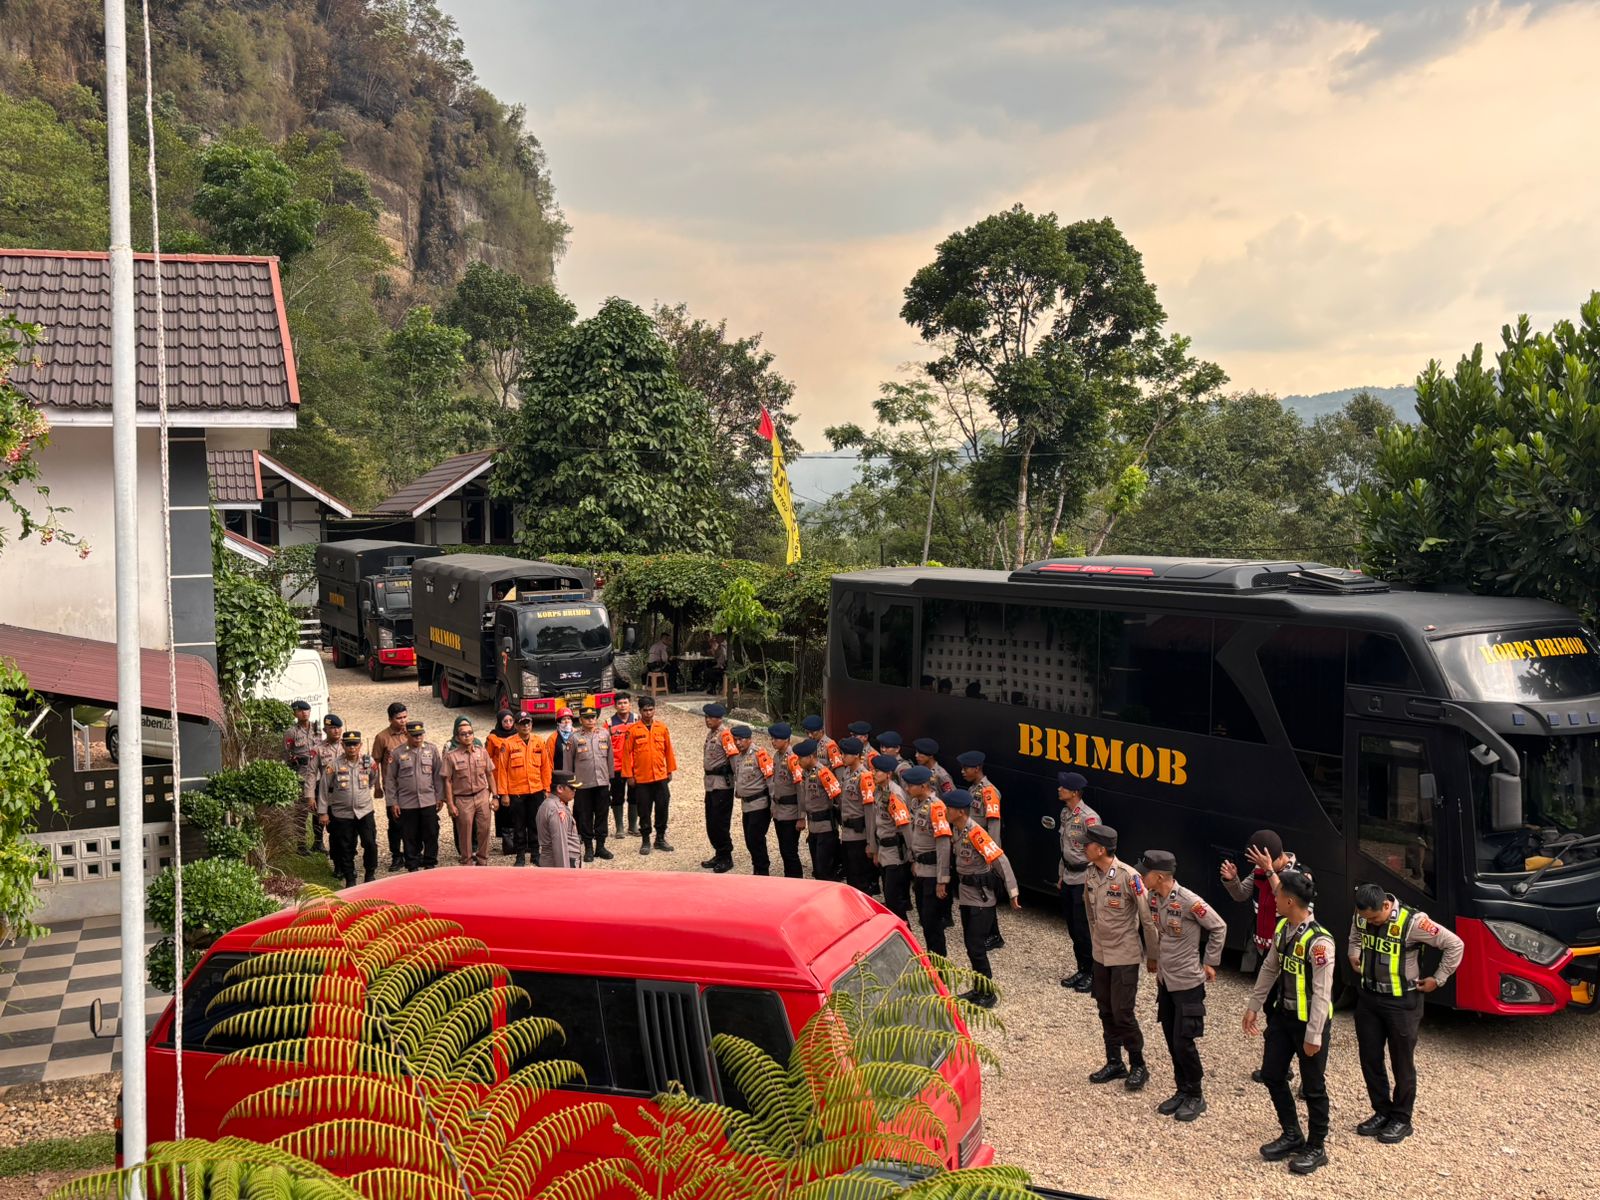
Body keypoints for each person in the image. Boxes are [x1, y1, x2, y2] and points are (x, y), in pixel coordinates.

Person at [1348, 882, 1465, 1144]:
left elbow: (1455, 944)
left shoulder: (1415, 922)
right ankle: (1381, 1111)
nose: (1371, 922)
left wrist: (1439, 978)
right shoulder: (1362, 914)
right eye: (1366, 918)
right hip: (1368, 998)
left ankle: (1401, 1118)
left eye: (1375, 918)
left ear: (1386, 906)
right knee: (1370, 1057)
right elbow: (1355, 934)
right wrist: (1353, 952)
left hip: (1402, 1002)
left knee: (1401, 1061)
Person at [1243, 870, 1336, 1176]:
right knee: (1272, 1074)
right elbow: (1270, 968)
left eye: (1278, 895)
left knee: (1313, 1086)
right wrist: (1254, 1005)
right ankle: (1292, 1134)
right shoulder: (1283, 927)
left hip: (1310, 1023)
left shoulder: (1320, 942)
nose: (1274, 899)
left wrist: (1314, 1035)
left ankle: (1317, 1146)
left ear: (1290, 900)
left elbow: (1322, 992)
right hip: (1283, 1017)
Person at [1141, 849, 1228, 1122]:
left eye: (1145, 872)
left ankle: (1196, 1094)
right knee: (1170, 1038)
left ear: (1158, 876)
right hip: (1166, 980)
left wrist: (1210, 962)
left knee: (1184, 1042)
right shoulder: (1154, 898)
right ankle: (1182, 1089)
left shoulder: (1190, 901)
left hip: (1188, 982)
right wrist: (1153, 959)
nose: (1142, 876)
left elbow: (1219, 927)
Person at [1223, 828, 1310, 1085]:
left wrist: (1270, 871)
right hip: (1266, 951)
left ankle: (1308, 1076)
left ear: (1269, 856)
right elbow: (1241, 894)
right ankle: (1276, 1066)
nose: (1256, 867)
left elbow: (1288, 901)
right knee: (1272, 1012)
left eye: (1258, 861)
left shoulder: (1300, 875)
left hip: (1291, 955)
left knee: (1294, 1017)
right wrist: (1232, 879)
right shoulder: (1259, 871)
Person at [1084, 824, 1158, 1091]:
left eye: (1088, 844)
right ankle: (1114, 1062)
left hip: (1125, 955)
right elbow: (1090, 912)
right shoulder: (1090, 873)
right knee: (1105, 1009)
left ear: (1101, 849)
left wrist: (1153, 956)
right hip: (1101, 954)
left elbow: (1147, 919)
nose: (1084, 848)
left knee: (1123, 1012)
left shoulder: (1130, 876)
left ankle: (1138, 1065)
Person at [944, 788, 1021, 1007]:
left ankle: (988, 994)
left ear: (959, 811)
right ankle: (979, 988)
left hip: (982, 899)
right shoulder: (957, 830)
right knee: (970, 945)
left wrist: (1012, 892)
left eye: (949, 809)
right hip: (967, 897)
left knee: (976, 945)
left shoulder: (976, 833)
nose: (946, 812)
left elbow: (1000, 860)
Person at [1057, 771, 1100, 993]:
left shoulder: (1089, 818)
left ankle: (1093, 974)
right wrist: (1061, 875)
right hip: (1069, 876)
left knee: (1084, 928)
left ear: (1074, 792)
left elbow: (1098, 853)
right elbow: (1065, 850)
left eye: (1062, 787)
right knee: (1073, 927)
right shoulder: (1066, 813)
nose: (1058, 789)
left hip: (1084, 878)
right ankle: (1082, 969)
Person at [319, 729, 378, 888]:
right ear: (343, 745)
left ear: (360, 745)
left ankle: (370, 874)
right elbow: (324, 789)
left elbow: (373, 779)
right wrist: (323, 812)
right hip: (342, 814)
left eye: (355, 744)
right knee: (345, 847)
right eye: (348, 745)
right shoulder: (334, 765)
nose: (352, 748)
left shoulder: (368, 762)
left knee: (370, 843)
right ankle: (350, 878)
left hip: (364, 811)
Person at [904, 765, 952, 957]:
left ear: (923, 785)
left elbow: (943, 845)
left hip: (933, 873)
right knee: (924, 917)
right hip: (921, 870)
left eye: (911, 785)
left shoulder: (937, 807)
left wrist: (942, 879)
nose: (907, 789)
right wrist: (914, 861)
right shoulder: (917, 804)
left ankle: (940, 964)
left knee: (932, 921)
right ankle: (932, 957)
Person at [958, 750, 1004, 951]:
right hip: (973, 846)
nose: (962, 772)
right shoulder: (973, 789)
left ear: (977, 768)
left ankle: (993, 935)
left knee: (986, 892)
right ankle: (992, 933)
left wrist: (991, 854)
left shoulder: (989, 792)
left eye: (966, 768)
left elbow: (993, 825)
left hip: (984, 849)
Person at [384, 719, 443, 871]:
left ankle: (430, 863)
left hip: (428, 800)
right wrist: (393, 802)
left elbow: (438, 775)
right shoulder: (397, 753)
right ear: (407, 734)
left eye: (420, 734)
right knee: (410, 836)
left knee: (431, 833)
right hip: (407, 802)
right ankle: (412, 865)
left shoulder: (431, 750)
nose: (418, 738)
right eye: (414, 735)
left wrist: (439, 797)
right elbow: (390, 779)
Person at [621, 695, 675, 854]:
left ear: (654, 710)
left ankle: (660, 838)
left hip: (660, 776)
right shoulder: (633, 730)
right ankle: (645, 840)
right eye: (645, 710)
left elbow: (668, 751)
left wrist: (669, 770)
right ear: (640, 711)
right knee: (644, 810)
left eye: (651, 710)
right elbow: (626, 754)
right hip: (642, 778)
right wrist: (629, 775)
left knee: (662, 808)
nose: (648, 713)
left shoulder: (662, 728)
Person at [443, 717, 498, 866]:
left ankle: (483, 861)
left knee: (484, 830)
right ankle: (466, 863)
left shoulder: (482, 752)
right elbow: (447, 781)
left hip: (482, 795)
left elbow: (489, 774)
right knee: (465, 833)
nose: (467, 736)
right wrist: (450, 804)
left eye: (470, 733)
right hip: (463, 798)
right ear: (457, 737)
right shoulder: (451, 756)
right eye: (463, 734)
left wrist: (495, 796)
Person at [866, 753, 912, 920]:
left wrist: (912, 856)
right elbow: (875, 821)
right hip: (884, 851)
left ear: (888, 774)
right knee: (889, 895)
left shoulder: (895, 794)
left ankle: (906, 933)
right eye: (873, 770)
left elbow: (905, 827)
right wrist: (874, 849)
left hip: (895, 854)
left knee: (894, 899)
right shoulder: (878, 791)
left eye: (878, 771)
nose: (873, 774)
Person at [570, 707, 615, 862]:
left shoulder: (604, 734)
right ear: (580, 720)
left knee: (602, 815)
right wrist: (571, 785)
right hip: (583, 785)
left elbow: (610, 759)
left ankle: (600, 846)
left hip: (602, 782)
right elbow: (568, 764)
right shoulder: (574, 738)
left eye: (593, 717)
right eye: (587, 717)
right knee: (585, 816)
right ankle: (588, 848)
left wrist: (611, 779)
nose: (590, 720)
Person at [729, 725, 775, 875]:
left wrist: (773, 804)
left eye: (741, 739)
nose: (738, 743)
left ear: (749, 739)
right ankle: (758, 868)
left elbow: (770, 780)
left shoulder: (759, 754)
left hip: (760, 805)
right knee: (750, 840)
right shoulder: (739, 756)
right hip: (746, 806)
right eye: (735, 740)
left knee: (756, 839)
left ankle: (762, 871)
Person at [371, 701, 411, 871]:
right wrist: (378, 786)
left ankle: (412, 853)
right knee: (395, 823)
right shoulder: (382, 737)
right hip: (393, 787)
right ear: (390, 719)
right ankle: (396, 855)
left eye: (405, 717)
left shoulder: (411, 732)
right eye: (399, 718)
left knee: (412, 822)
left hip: (411, 786)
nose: (403, 721)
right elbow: (376, 762)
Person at [793, 739, 842, 881]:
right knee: (818, 869)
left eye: (801, 758)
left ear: (810, 757)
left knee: (825, 870)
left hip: (826, 827)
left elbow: (838, 797)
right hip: (813, 828)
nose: (798, 761)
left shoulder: (823, 773)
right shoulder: (807, 774)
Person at [700, 702, 737, 873]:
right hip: (711, 784)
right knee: (711, 822)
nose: (707, 720)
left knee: (720, 822)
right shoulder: (711, 734)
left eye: (711, 717)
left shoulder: (725, 735)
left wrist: (737, 782)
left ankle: (726, 857)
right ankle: (719, 853)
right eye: (706, 717)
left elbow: (734, 761)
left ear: (719, 719)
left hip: (722, 785)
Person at [835, 737, 875, 893]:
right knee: (851, 876)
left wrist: (871, 843)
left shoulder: (864, 777)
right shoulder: (847, 772)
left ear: (857, 755)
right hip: (847, 833)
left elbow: (870, 812)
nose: (842, 757)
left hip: (859, 835)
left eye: (845, 754)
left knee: (860, 879)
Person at [283, 700, 322, 856]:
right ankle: (301, 845)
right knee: (301, 812)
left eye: (306, 710)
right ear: (295, 713)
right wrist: (294, 764)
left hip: (317, 776)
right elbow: (286, 754)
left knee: (319, 809)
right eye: (300, 711)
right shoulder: (291, 732)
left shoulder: (317, 729)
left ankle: (319, 843)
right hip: (301, 776)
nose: (304, 713)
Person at [767, 723, 804, 878]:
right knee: (784, 849)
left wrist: (801, 816)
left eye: (776, 739)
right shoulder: (777, 756)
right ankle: (789, 878)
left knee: (790, 851)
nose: (773, 741)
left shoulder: (793, 758)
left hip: (791, 812)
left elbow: (800, 788)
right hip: (779, 811)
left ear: (786, 740)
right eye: (772, 738)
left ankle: (796, 880)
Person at [485, 709, 521, 856]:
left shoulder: (519, 735)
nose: (508, 724)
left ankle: (521, 841)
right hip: (499, 777)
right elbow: (487, 758)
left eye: (511, 721)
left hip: (516, 778)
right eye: (505, 721)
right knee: (504, 812)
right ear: (500, 722)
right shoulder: (492, 737)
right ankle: (508, 843)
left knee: (518, 811)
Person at [537, 771, 583, 868]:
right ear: (560, 788)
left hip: (551, 861)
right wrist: (563, 874)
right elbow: (560, 845)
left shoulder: (549, 804)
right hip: (561, 863)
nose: (574, 791)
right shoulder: (557, 810)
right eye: (572, 788)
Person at [608, 693, 639, 836]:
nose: (622, 705)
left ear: (629, 704)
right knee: (617, 796)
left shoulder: (637, 720)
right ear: (615, 705)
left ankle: (633, 826)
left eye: (625, 702)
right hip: (617, 766)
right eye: (619, 703)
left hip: (634, 766)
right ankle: (619, 828)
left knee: (635, 796)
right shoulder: (609, 723)